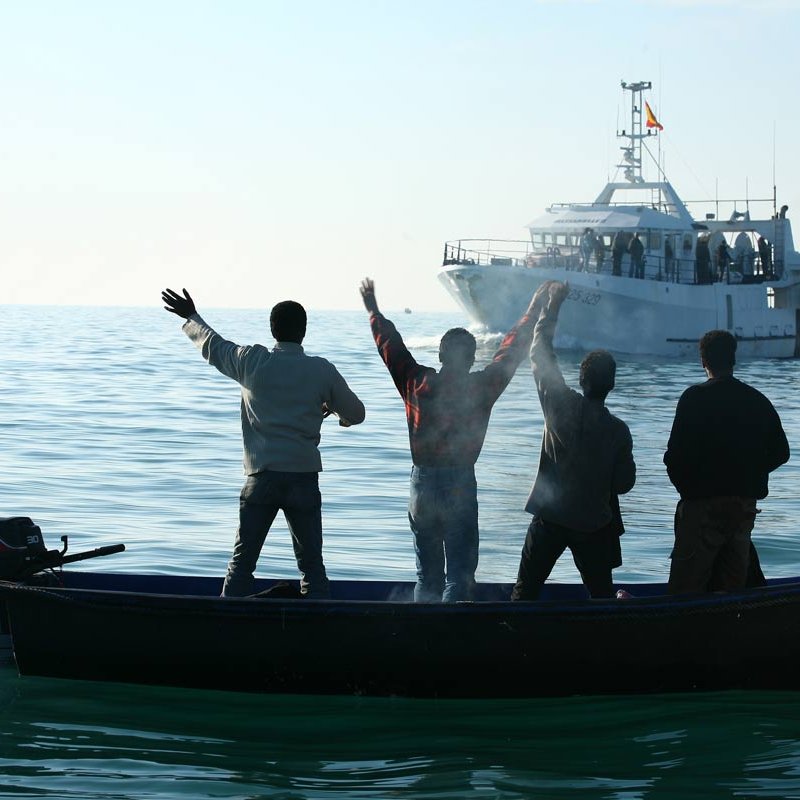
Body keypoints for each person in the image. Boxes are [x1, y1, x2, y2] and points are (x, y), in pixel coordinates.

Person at [161, 287, 365, 598]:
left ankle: (225, 623)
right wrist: (337, 412)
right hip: (303, 479)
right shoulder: (321, 370)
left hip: (261, 477)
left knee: (242, 565)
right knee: (312, 567)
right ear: (303, 331)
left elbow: (213, 345)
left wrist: (191, 315)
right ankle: (320, 627)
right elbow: (357, 413)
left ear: (273, 330)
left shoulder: (251, 362)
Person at [359, 277, 541, 602]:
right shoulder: (481, 388)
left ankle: (422, 636)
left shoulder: (416, 384)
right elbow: (511, 350)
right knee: (459, 574)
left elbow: (390, 346)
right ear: (472, 358)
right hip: (459, 481)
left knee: (426, 576)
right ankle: (450, 635)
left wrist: (372, 308)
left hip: (422, 483)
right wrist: (535, 308)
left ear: (440, 354)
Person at [511, 281, 636, 601]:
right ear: (611, 386)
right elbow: (624, 484)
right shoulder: (618, 431)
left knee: (525, 594)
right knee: (602, 597)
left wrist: (552, 305)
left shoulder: (559, 404)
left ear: (581, 380)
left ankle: (513, 640)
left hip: (550, 517)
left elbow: (539, 350)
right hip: (593, 524)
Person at [663, 329, 789, 594]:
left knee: (686, 592)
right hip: (743, 510)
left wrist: (690, 493)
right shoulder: (757, 401)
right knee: (733, 591)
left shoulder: (693, 399)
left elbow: (673, 458)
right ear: (733, 360)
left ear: (703, 362)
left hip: (700, 509)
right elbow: (782, 453)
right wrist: (748, 473)